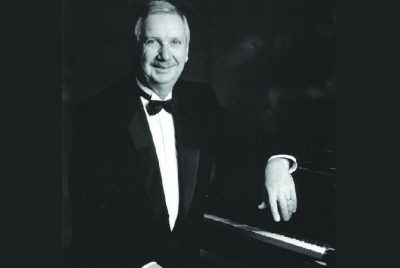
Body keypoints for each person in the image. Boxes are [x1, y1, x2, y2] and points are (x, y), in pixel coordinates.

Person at [65, 1, 298, 267]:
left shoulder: (201, 101)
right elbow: (93, 217)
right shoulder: (97, 113)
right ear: (136, 47)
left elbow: (253, 137)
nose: (165, 55)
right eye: (153, 41)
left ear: (187, 51)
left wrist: (277, 163)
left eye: (175, 42)